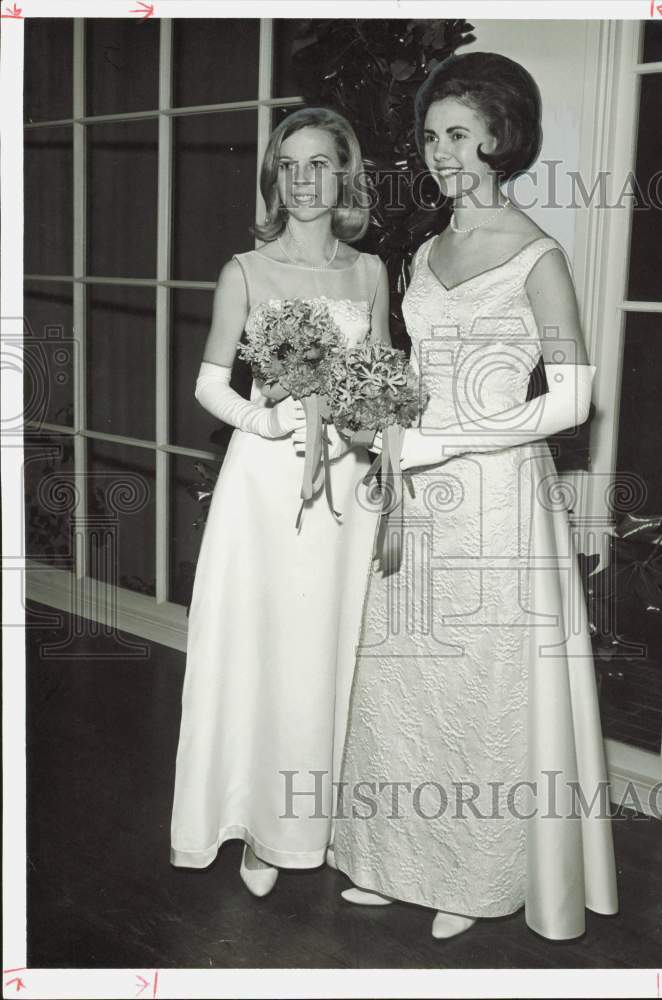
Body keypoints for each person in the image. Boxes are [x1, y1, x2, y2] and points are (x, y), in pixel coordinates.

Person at [333, 52, 619, 940]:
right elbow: (419, 372)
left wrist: (444, 439)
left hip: (497, 493)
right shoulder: (423, 251)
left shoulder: (537, 254)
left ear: (500, 138)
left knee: (482, 688)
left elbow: (572, 397)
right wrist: (383, 431)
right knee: (405, 678)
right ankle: (392, 857)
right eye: (430, 135)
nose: (440, 150)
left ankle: (475, 873)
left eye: (459, 133)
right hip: (418, 492)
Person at [170, 107, 389, 895]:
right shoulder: (246, 271)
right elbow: (207, 381)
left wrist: (368, 440)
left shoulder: (370, 275)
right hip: (265, 485)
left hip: (345, 491)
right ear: (274, 179)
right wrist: (262, 418)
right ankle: (263, 829)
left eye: (320, 164)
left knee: (331, 651)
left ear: (345, 175)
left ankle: (325, 830)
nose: (304, 180)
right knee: (266, 652)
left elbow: (380, 384)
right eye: (289, 166)